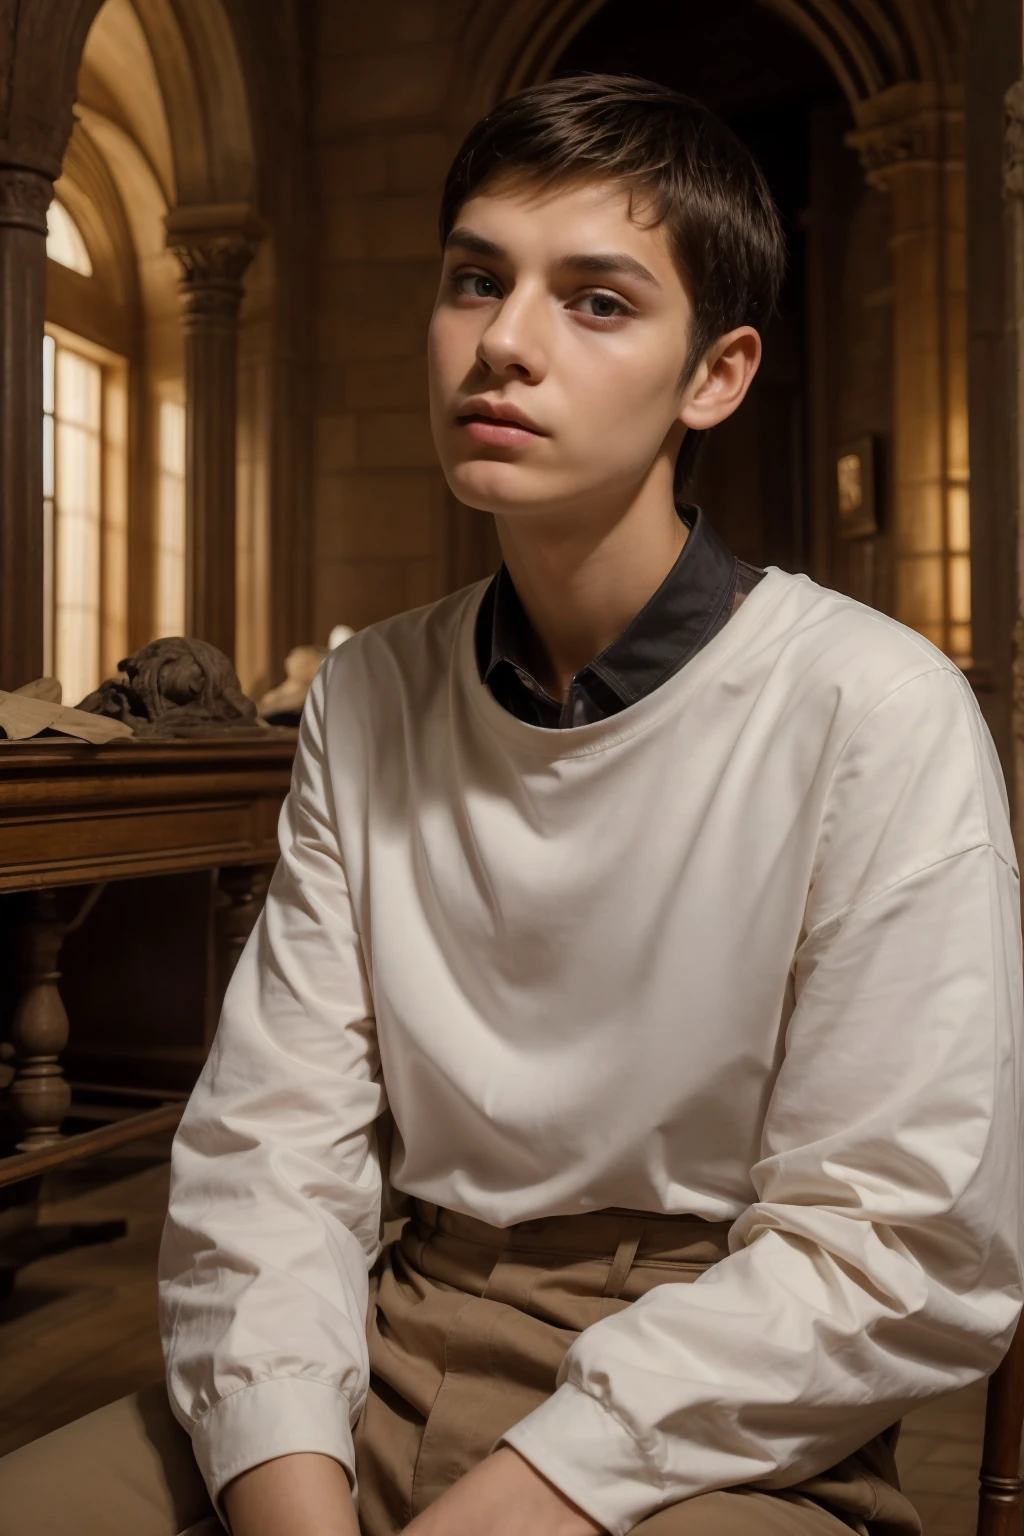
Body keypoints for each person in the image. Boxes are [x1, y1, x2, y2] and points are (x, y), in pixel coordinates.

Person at [1, 72, 1021, 1536]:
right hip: (380, 1331)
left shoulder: (873, 708)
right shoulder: (369, 697)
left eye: (597, 300)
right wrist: (291, 1475)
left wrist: (531, 1491)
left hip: (720, 1396)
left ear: (717, 375)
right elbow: (270, 1153)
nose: (504, 344)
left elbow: (898, 1244)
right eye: (476, 280)